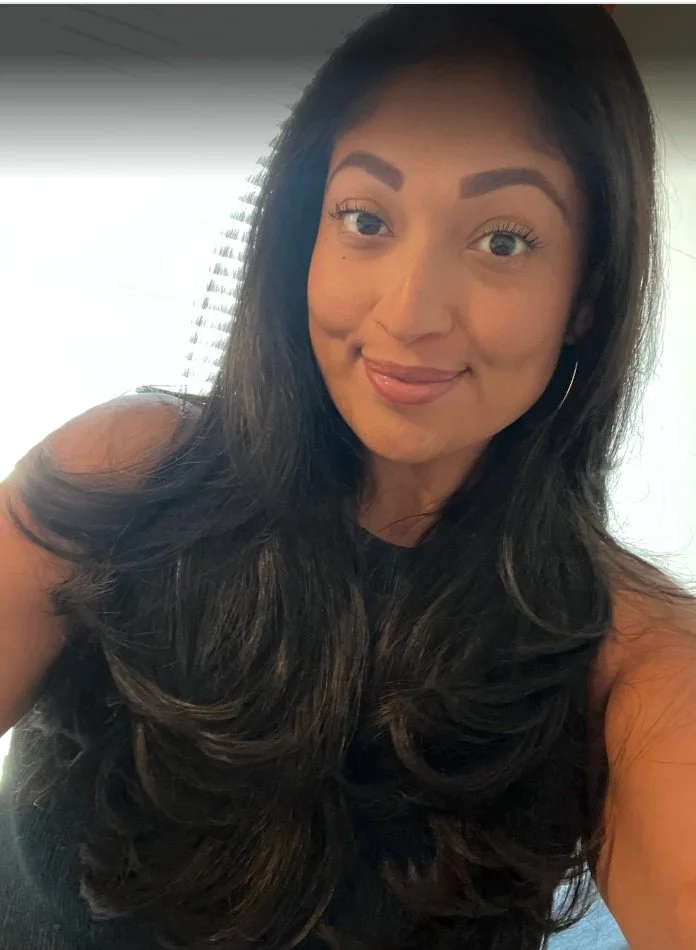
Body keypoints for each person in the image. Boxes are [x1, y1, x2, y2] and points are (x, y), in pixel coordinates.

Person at [0, 5, 695, 949]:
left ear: (588, 294)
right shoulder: (120, 475)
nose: (409, 312)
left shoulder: (630, 659)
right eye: (366, 218)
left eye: (502, 240)